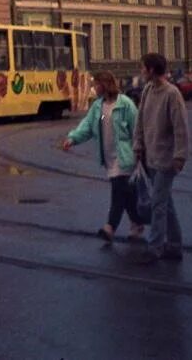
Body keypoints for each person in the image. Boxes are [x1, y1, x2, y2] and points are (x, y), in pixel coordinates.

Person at [61, 71, 145, 243]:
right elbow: (88, 126)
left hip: (125, 157)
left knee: (118, 191)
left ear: (105, 84)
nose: (93, 87)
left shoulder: (125, 104)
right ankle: (137, 223)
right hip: (109, 158)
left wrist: (139, 151)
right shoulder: (99, 107)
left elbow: (137, 129)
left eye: (96, 84)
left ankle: (110, 227)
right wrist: (73, 138)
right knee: (127, 194)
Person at [132, 52, 190, 264]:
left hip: (167, 159)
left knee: (158, 204)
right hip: (151, 158)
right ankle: (174, 246)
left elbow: (180, 127)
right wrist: (137, 146)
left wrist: (180, 156)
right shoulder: (147, 90)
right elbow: (140, 121)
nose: (141, 71)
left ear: (152, 70)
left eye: (143, 67)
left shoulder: (171, 94)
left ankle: (155, 248)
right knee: (166, 204)